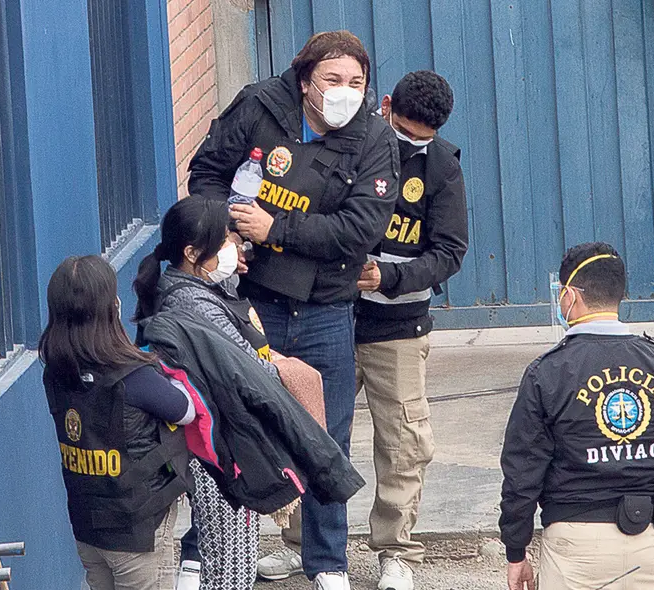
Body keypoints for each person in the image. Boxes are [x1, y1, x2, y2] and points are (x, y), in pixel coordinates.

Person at [188, 30, 400, 590]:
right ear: (305, 81)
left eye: (357, 83)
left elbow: (361, 230)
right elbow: (204, 173)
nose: (345, 93)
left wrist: (275, 228)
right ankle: (204, 553)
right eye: (333, 80)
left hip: (326, 307)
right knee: (229, 423)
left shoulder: (376, 139)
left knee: (327, 436)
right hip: (251, 301)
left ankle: (328, 564)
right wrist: (228, 231)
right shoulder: (259, 106)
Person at [260, 70, 468, 590]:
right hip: (324, 313)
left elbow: (450, 252)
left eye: (423, 137)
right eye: (405, 131)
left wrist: (391, 276)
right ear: (387, 106)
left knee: (402, 441)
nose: (412, 144)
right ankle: (300, 545)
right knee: (309, 429)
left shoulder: (442, 167)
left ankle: (396, 553)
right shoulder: (348, 142)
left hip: (396, 324)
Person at [499, 243, 654, 590]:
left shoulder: (546, 374)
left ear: (569, 296)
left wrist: (516, 552)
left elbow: (522, 472)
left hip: (575, 550)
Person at [133, 196, 268, 590]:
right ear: (192, 253)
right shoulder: (194, 304)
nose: (232, 248)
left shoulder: (188, 287)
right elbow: (250, 372)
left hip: (211, 448)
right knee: (229, 570)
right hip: (218, 454)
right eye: (223, 241)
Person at [39, 255, 196, 590]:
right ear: (112, 309)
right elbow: (185, 409)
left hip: (87, 528)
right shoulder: (133, 376)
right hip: (137, 531)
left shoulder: (55, 372)